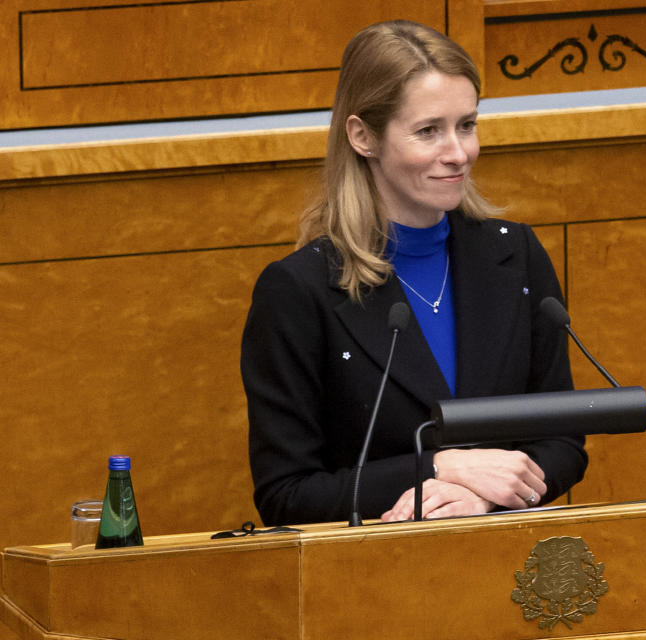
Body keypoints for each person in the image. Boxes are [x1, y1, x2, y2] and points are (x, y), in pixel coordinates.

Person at [241, 20, 587, 525]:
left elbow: (563, 441)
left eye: (466, 125)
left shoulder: (516, 257)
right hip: (373, 578)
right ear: (362, 136)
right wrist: (439, 468)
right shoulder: (298, 290)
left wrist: (483, 498)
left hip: (512, 563)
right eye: (429, 131)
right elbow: (286, 494)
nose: (458, 153)